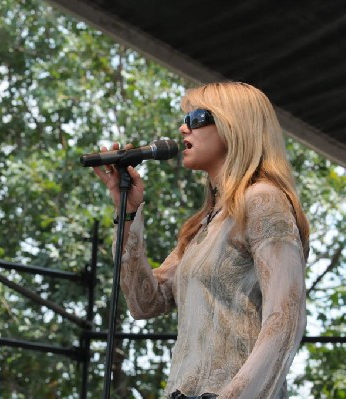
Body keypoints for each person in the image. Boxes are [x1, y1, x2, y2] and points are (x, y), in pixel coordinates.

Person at [93, 82, 309, 398]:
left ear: (233, 125)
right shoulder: (203, 225)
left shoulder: (262, 200)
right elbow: (144, 303)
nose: (183, 128)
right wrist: (127, 213)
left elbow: (285, 319)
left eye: (196, 117)